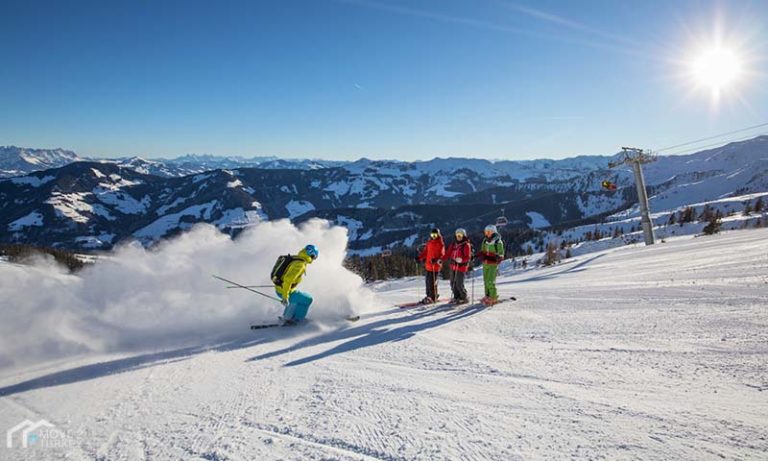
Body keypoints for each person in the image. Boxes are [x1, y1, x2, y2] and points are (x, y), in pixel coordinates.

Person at [273, 244, 318, 324]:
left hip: (281, 288)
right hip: (284, 290)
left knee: (301, 297)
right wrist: (285, 297)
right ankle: (297, 319)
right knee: (308, 300)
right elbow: (288, 281)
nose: (313, 259)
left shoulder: (297, 258)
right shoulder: (300, 265)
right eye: (314, 257)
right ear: (312, 254)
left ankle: (287, 316)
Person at [444, 228, 472, 304]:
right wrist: (441, 259)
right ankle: (456, 297)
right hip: (453, 266)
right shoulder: (453, 244)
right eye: (457, 235)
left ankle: (463, 297)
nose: (458, 237)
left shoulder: (466, 245)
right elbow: (448, 253)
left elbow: (468, 257)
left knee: (459, 283)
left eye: (460, 235)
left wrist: (461, 260)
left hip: (461, 267)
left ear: (464, 236)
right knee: (452, 283)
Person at [417, 228, 445, 304]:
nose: (433, 236)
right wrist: (419, 257)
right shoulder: (429, 242)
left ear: (438, 234)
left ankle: (433, 297)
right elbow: (426, 252)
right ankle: (429, 296)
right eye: (432, 235)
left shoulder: (440, 243)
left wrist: (436, 259)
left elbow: (442, 255)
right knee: (428, 282)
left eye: (435, 235)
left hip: (435, 266)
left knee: (432, 282)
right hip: (428, 265)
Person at [478, 225, 504, 305]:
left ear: (493, 232)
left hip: (493, 264)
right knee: (486, 281)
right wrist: (477, 256)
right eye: (486, 232)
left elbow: (501, 255)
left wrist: (497, 257)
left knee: (490, 281)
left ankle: (493, 297)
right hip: (485, 264)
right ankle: (487, 296)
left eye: (488, 232)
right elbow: (482, 251)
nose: (487, 234)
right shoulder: (485, 241)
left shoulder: (498, 242)